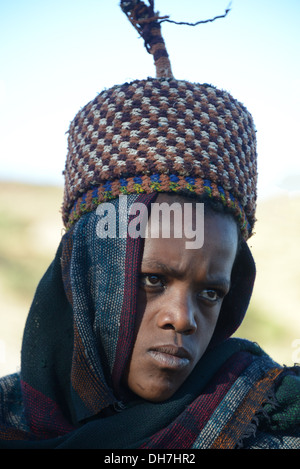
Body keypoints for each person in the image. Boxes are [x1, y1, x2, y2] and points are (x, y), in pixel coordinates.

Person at [0, 1, 299, 449]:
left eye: (211, 293)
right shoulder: (10, 418)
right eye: (153, 279)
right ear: (88, 275)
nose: (182, 320)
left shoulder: (266, 420)